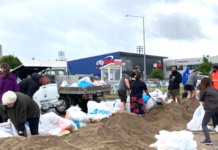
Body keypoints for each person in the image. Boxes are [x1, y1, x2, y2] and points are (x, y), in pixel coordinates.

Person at [198, 78, 218, 145]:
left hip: (210, 109)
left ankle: (208, 140)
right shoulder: (214, 88)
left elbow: (201, 99)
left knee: (204, 124)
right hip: (217, 108)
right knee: (216, 125)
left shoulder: (204, 90)